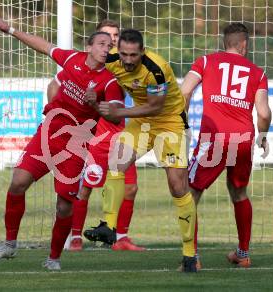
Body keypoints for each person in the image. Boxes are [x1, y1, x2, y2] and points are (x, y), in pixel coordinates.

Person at [0, 17, 123, 270]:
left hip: (75, 146)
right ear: (89, 47)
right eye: (101, 43)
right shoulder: (71, 59)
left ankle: (54, 258)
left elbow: (114, 112)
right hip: (49, 133)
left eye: (109, 46)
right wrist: (10, 29)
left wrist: (95, 104)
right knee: (18, 182)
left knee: (64, 205)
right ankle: (9, 244)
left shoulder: (109, 82)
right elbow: (42, 45)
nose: (106, 48)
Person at [84, 29, 198, 272]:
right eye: (123, 53)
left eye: (133, 55)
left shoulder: (157, 69)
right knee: (117, 160)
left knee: (178, 186)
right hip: (142, 121)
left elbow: (156, 107)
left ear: (142, 52)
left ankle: (190, 254)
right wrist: (92, 93)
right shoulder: (112, 59)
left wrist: (120, 112)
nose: (127, 60)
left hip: (170, 122)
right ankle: (109, 227)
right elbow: (92, 71)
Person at [47, 19, 144, 252]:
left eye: (115, 37)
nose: (110, 42)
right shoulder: (89, 66)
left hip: (121, 134)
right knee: (87, 185)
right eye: (106, 38)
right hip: (99, 136)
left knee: (130, 187)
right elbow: (55, 85)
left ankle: (121, 238)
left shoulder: (125, 64)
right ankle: (76, 237)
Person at [181, 22, 272, 268]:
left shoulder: (206, 61)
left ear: (225, 43)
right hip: (243, 140)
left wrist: (182, 125)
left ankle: (192, 257)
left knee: (190, 193)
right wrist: (262, 136)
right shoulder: (258, 72)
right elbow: (263, 112)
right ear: (244, 44)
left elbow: (184, 92)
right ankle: (243, 254)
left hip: (214, 138)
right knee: (239, 192)